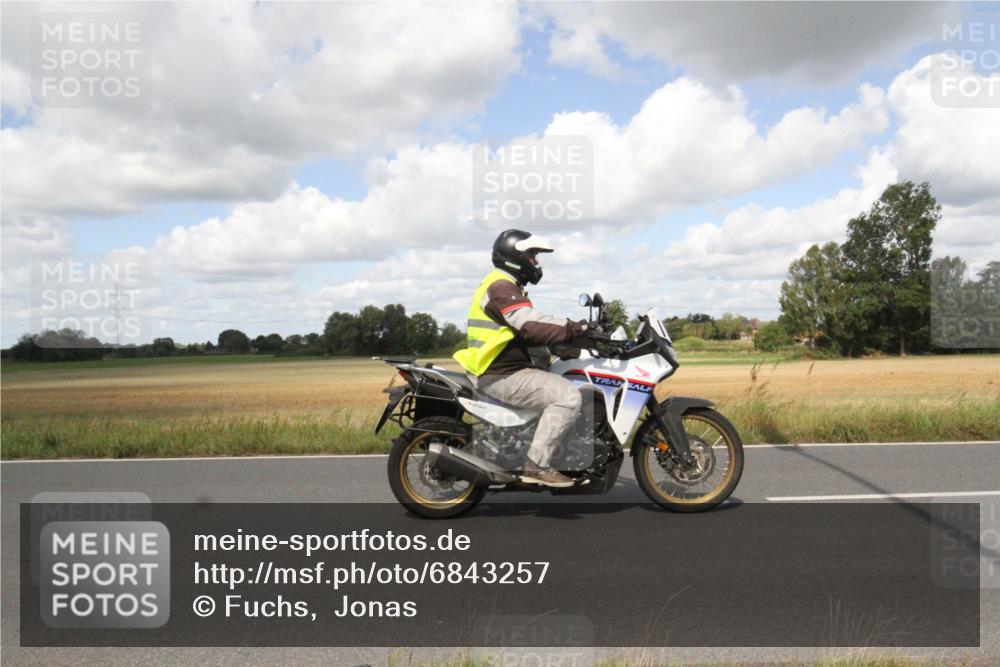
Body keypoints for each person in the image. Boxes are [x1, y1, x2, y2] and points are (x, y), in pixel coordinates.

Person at [454, 229, 587, 488]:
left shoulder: (506, 286)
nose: (536, 262)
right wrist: (573, 329)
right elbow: (530, 325)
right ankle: (536, 466)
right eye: (533, 256)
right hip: (500, 372)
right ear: (516, 257)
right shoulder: (501, 286)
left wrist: (571, 333)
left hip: (502, 369)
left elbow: (532, 324)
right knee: (567, 396)